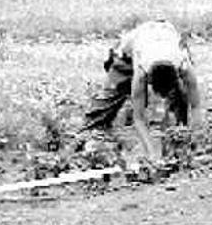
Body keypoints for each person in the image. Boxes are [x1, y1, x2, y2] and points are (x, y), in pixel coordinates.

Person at [84, 20, 203, 158]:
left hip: (165, 34)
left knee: (182, 99)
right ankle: (88, 137)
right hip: (127, 53)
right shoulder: (141, 71)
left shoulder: (183, 64)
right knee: (104, 105)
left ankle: (179, 132)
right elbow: (139, 119)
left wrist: (194, 140)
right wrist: (151, 154)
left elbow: (195, 106)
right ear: (149, 80)